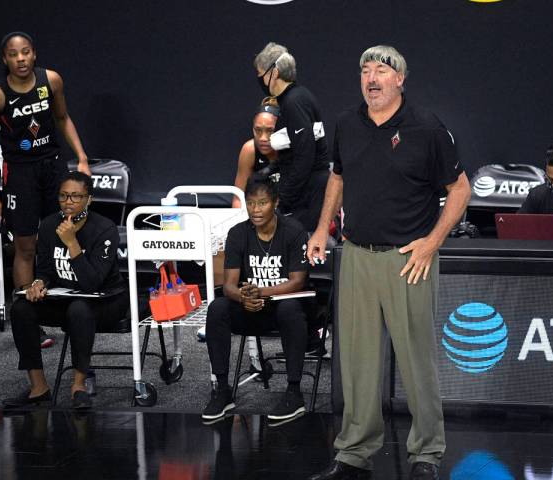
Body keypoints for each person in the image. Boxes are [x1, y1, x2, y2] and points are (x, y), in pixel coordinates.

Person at [306, 46, 471, 480]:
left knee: (417, 361)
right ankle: (354, 452)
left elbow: (460, 190)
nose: (372, 78)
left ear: (401, 79)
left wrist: (431, 243)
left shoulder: (427, 128)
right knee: (357, 363)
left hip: (407, 260)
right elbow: (337, 177)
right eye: (365, 70)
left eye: (382, 70)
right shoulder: (346, 123)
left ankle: (426, 455)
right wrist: (322, 229)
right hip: (357, 255)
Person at [0, 32, 91, 348]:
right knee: (26, 246)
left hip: (53, 166)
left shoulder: (51, 81)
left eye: (25, 52)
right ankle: (30, 321)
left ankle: (72, 312)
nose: (21, 59)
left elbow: (63, 118)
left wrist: (81, 157)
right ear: (5, 60)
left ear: (34, 54)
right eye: (14, 54)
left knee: (66, 235)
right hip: (21, 174)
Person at [3, 171, 127, 409]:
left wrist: (72, 243)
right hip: (65, 298)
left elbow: (93, 283)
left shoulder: (105, 229)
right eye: (63, 196)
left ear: (88, 199)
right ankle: (38, 387)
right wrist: (39, 283)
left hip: (106, 301)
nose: (68, 202)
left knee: (80, 309)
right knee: (22, 308)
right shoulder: (50, 225)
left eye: (76, 197)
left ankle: (78, 386)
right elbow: (48, 270)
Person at [202, 178, 310, 424]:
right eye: (251, 203)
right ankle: (222, 389)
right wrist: (243, 296)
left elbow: (297, 282)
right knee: (217, 308)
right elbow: (229, 284)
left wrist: (260, 292)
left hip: (280, 307)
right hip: (250, 307)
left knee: (291, 309)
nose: (256, 209)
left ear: (275, 203)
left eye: (262, 203)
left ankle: (294, 392)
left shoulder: (293, 231)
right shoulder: (238, 233)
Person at [254, 42, 329, 232]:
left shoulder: (293, 103)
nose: (260, 80)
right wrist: (271, 169)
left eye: (261, 74)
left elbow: (305, 155)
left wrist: (283, 199)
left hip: (308, 197)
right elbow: (295, 150)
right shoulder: (298, 97)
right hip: (306, 191)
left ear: (274, 73)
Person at [231, 98, 281, 208]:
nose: (263, 138)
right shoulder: (249, 150)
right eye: (258, 130)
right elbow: (238, 199)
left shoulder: (293, 149)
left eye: (270, 131)